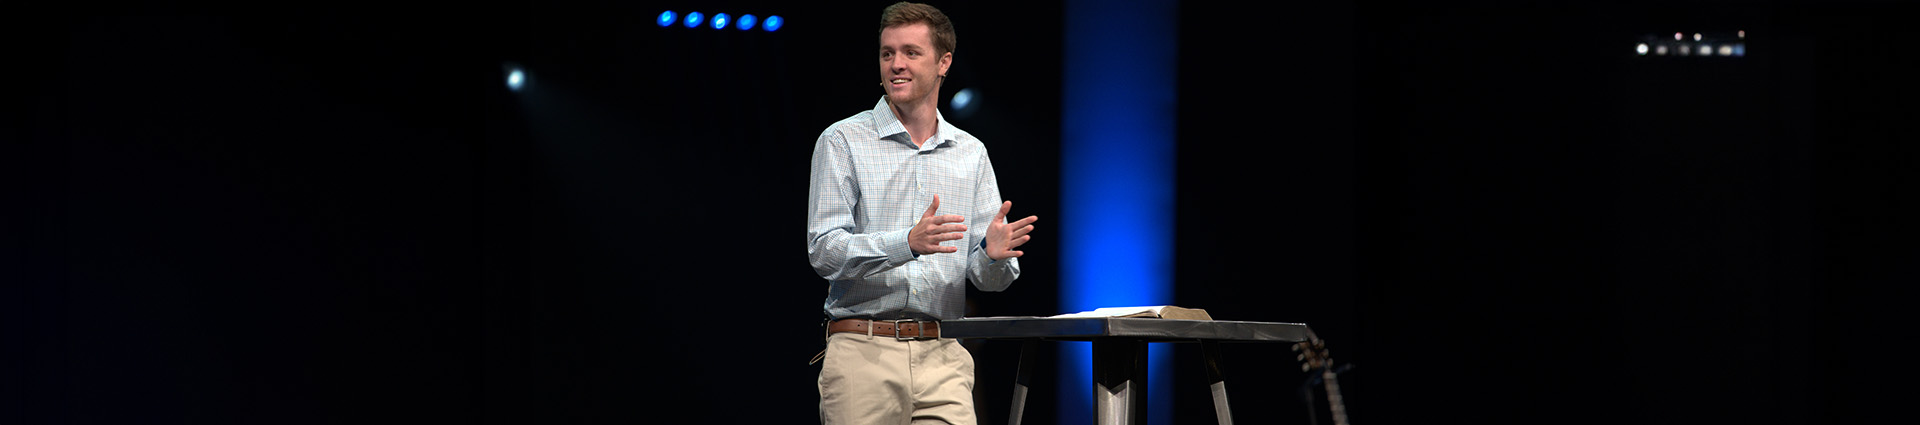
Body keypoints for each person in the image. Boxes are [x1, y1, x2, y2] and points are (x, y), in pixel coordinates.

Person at [806, 2, 1039, 424]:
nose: (896, 64)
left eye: (911, 53)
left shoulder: (970, 153)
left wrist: (992, 256)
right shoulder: (843, 141)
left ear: (943, 62)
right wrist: (906, 243)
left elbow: (989, 280)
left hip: (944, 356)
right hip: (863, 352)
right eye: (887, 53)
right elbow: (824, 252)